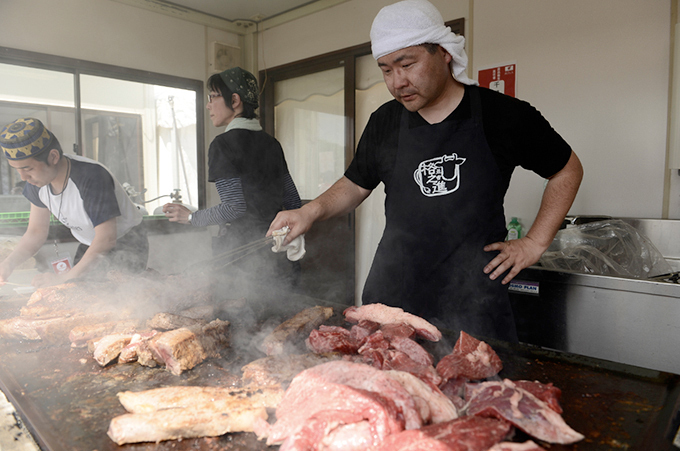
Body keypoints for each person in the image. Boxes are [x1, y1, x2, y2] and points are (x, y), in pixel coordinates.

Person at [267, 0, 583, 342]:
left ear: (443, 52)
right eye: (386, 69)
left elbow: (566, 170)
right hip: (393, 297)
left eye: (407, 64)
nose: (397, 81)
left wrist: (535, 242)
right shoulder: (384, 122)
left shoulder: (503, 116)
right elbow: (356, 184)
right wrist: (309, 211)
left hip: (473, 301)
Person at [163, 67, 302, 292]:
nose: (208, 105)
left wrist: (191, 217)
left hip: (243, 260)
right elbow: (293, 202)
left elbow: (234, 208)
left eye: (213, 97)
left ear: (235, 100)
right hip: (277, 255)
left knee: (241, 322)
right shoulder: (272, 144)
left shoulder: (223, 145)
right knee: (279, 320)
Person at [0, 117, 148, 287]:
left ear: (53, 157)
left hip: (126, 242)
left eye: (28, 168)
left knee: (120, 300)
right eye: (17, 170)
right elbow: (36, 232)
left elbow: (106, 238)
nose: (23, 178)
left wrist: (64, 278)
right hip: (90, 243)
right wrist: (7, 264)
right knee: (76, 293)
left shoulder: (91, 177)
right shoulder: (37, 182)